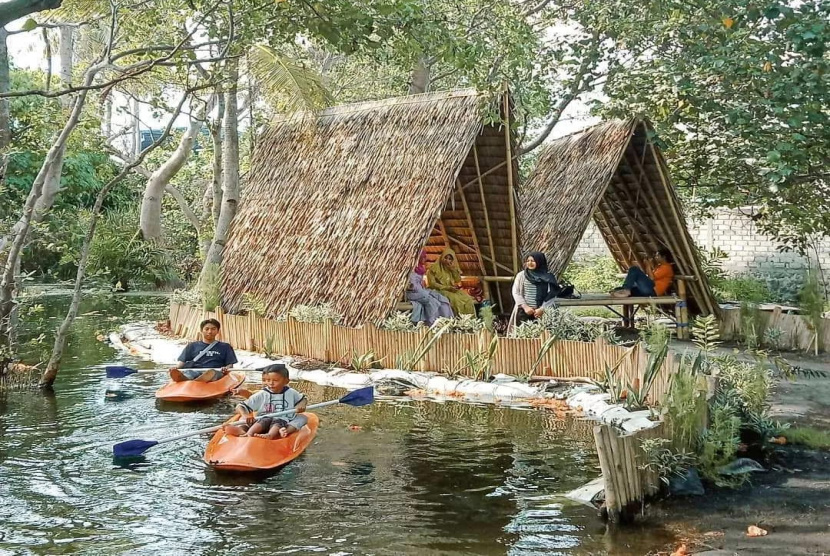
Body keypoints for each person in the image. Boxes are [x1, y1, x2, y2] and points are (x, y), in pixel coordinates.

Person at [224, 364, 308, 439]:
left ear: (286, 381)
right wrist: (245, 415)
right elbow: (240, 406)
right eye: (267, 380)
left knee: (302, 418)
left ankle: (285, 431)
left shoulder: (292, 392)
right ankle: (243, 431)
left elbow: (303, 399)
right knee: (243, 418)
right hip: (262, 421)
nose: (271, 383)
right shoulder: (262, 394)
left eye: (275, 380)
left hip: (285, 421)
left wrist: (301, 405)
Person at [168, 318, 238, 382]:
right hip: (195, 371)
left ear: (217, 331)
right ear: (202, 331)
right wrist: (175, 368)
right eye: (206, 329)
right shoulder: (192, 346)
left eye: (213, 329)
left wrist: (225, 368)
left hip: (215, 372)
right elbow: (182, 363)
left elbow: (230, 365)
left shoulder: (225, 346)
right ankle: (185, 379)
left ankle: (200, 380)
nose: (210, 332)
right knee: (189, 373)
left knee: (212, 373)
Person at [510, 252, 561, 325]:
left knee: (543, 335)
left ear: (539, 261)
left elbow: (552, 295)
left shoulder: (548, 277)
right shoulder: (521, 275)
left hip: (542, 313)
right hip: (524, 312)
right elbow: (515, 292)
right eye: (528, 261)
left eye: (533, 261)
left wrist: (542, 309)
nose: (530, 263)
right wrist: (525, 307)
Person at [407, 250, 453, 325]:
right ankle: (431, 321)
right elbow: (413, 285)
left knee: (441, 298)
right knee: (432, 302)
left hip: (421, 291)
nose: (425, 259)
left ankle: (446, 320)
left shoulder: (420, 269)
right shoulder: (412, 270)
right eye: (423, 257)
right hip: (414, 293)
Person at [426, 247, 476, 316]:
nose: (447, 260)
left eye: (450, 259)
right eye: (445, 258)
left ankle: (468, 319)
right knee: (454, 299)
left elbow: (457, 280)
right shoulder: (433, 269)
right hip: (438, 290)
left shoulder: (451, 269)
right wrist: (446, 287)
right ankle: (457, 318)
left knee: (467, 298)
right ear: (442, 257)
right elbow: (432, 284)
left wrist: (453, 270)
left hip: (450, 290)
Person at [611, 248, 675, 298]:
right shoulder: (659, 267)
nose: (656, 257)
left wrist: (648, 265)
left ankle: (626, 289)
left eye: (657, 256)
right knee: (618, 289)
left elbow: (651, 278)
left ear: (663, 257)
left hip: (653, 291)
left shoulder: (666, 267)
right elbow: (650, 276)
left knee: (634, 269)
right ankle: (625, 290)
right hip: (648, 289)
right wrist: (648, 265)